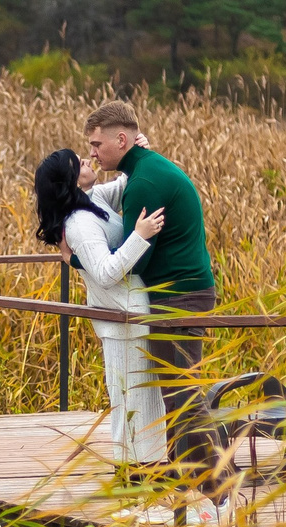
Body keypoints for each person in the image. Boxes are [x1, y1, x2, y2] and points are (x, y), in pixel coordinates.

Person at [81, 100, 220, 478]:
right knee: (176, 392)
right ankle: (184, 482)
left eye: (97, 144)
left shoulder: (143, 181)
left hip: (179, 297)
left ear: (121, 139)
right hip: (183, 291)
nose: (91, 153)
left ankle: (216, 487)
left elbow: (136, 261)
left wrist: (83, 258)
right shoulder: (145, 168)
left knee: (183, 395)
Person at [33, 148, 168, 462]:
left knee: (145, 399)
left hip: (132, 316)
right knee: (131, 401)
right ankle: (134, 478)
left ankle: (148, 474)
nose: (85, 159)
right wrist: (139, 235)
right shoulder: (80, 223)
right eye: (76, 163)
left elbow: (123, 185)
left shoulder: (92, 200)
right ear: (68, 181)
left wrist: (139, 151)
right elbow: (106, 272)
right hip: (122, 321)